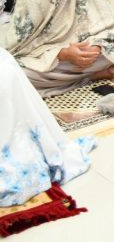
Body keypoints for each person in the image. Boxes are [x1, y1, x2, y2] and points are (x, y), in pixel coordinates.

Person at [0, 48, 94, 206]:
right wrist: (60, 52)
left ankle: (88, 73)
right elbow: (19, 45)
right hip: (36, 60)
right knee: (9, 73)